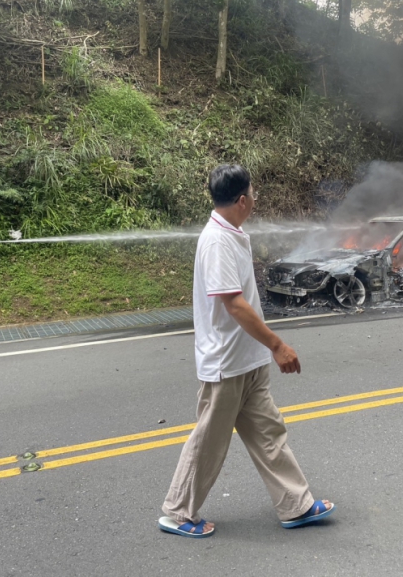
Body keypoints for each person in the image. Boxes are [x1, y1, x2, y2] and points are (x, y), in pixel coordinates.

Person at [158, 164, 334, 539]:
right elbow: (233, 304)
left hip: (247, 360)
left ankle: (296, 504)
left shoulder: (231, 233)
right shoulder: (218, 241)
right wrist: (277, 344)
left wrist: (263, 349)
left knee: (268, 431)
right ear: (241, 200)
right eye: (253, 194)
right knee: (210, 441)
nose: (255, 200)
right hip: (227, 362)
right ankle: (176, 512)